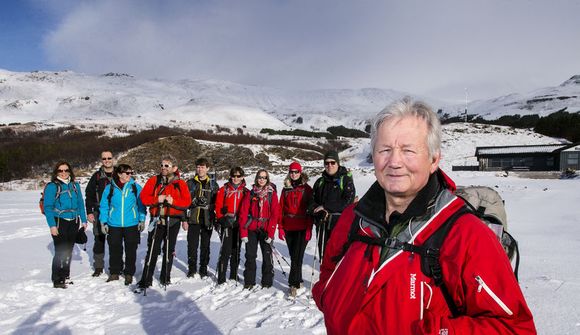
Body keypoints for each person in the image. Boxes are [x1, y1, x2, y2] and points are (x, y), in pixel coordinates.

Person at [312, 97, 537, 334]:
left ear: (433, 159)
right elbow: (329, 273)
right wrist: (329, 298)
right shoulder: (351, 218)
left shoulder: (466, 235)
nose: (394, 162)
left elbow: (515, 329)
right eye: (385, 150)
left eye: (408, 150)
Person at [137, 155, 191, 289]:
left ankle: (165, 277)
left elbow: (187, 202)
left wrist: (174, 202)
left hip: (173, 222)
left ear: (174, 167)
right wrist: (157, 199)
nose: (163, 168)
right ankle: (146, 279)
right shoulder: (154, 180)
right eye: (162, 165)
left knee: (169, 250)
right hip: (158, 221)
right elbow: (144, 198)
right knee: (152, 250)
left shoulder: (180, 183)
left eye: (167, 165)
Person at [99, 164, 146, 285]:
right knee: (114, 249)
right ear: (119, 174)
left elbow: (141, 205)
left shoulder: (135, 187)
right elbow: (104, 206)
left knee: (131, 250)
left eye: (131, 173)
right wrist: (103, 221)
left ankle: (129, 273)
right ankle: (114, 272)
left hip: (132, 224)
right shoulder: (110, 188)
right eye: (127, 173)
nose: (130, 175)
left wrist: (141, 219)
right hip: (114, 224)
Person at [43, 161, 88, 288]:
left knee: (69, 249)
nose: (63, 173)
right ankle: (57, 279)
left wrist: (83, 220)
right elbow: (48, 207)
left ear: (70, 171)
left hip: (74, 221)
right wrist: (52, 225)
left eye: (66, 170)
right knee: (60, 251)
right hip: (59, 221)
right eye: (60, 170)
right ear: (56, 172)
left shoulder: (75, 185)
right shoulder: (52, 186)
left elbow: (80, 203)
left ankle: (65, 275)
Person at [310, 150, 356, 260]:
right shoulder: (320, 182)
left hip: (339, 225)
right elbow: (312, 201)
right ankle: (324, 277)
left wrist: (326, 207)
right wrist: (317, 211)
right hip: (322, 224)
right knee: (323, 255)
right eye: (326, 163)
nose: (329, 165)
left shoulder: (345, 180)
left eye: (332, 162)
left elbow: (348, 202)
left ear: (338, 163)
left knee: (338, 256)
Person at [238, 169, 279, 289]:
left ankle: (267, 281)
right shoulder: (251, 194)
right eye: (260, 177)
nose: (262, 179)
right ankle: (249, 281)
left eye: (264, 177)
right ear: (256, 178)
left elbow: (274, 215)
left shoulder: (272, 194)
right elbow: (243, 213)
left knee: (267, 256)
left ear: (267, 179)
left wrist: (271, 234)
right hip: (252, 228)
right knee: (250, 256)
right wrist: (243, 233)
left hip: (266, 229)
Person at [278, 161, 313, 297]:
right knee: (294, 256)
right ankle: (298, 279)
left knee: (297, 256)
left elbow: (310, 209)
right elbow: (280, 208)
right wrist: (280, 228)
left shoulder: (307, 189)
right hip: (288, 226)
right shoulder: (285, 189)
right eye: (291, 172)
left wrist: (309, 228)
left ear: (300, 172)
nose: (293, 174)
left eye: (296, 172)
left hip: (302, 226)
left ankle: (292, 284)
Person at [183, 158, 219, 278]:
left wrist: (209, 206)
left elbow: (217, 203)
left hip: (207, 219)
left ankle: (203, 269)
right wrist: (194, 202)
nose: (200, 169)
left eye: (202, 167)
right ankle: (192, 269)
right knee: (192, 246)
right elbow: (183, 202)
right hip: (193, 219)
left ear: (207, 168)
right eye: (198, 167)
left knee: (205, 246)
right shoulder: (190, 183)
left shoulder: (213, 184)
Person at [214, 167, 249, 284]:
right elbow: (218, 205)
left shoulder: (246, 191)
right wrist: (221, 218)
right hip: (227, 222)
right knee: (226, 250)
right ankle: (221, 277)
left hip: (239, 222)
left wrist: (245, 221)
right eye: (233, 176)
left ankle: (234, 275)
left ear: (242, 177)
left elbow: (249, 208)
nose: (235, 178)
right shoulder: (224, 189)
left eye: (238, 176)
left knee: (236, 249)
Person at [85, 150, 115, 277]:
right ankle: (98, 266)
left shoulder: (120, 174)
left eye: (109, 158)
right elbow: (89, 195)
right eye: (104, 158)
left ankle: (116, 266)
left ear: (113, 158)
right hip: (98, 212)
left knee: (115, 240)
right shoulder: (97, 176)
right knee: (99, 239)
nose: (107, 160)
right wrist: (89, 212)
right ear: (101, 160)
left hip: (116, 212)